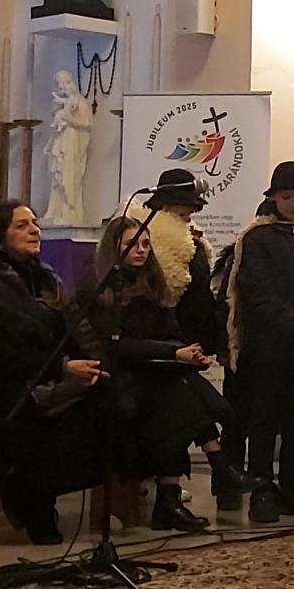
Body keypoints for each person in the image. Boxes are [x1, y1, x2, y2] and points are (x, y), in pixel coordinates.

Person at [75, 215, 257, 532]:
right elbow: (116, 346)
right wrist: (172, 354)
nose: (141, 250)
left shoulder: (154, 283)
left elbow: (170, 332)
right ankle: (212, 469)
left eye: (146, 243)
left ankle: (172, 501)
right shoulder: (99, 289)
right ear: (114, 247)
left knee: (176, 398)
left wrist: (187, 354)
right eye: (132, 243)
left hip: (157, 373)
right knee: (178, 399)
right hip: (121, 378)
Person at [0, 201, 109, 545]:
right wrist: (61, 367)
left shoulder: (46, 278)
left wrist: (96, 363)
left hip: (47, 373)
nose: (35, 231)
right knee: (37, 418)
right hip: (2, 381)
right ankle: (35, 503)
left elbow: (77, 329)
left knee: (109, 400)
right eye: (21, 225)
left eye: (34, 223)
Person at [225, 161, 294, 523]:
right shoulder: (257, 238)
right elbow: (255, 291)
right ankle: (262, 489)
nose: (293, 203)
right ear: (273, 197)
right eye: (287, 196)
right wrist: (292, 323)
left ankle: (293, 486)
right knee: (264, 417)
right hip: (267, 342)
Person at [141, 169, 220, 353]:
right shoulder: (155, 241)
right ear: (165, 207)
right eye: (183, 214)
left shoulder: (191, 240)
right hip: (172, 335)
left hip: (187, 333)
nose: (188, 219)